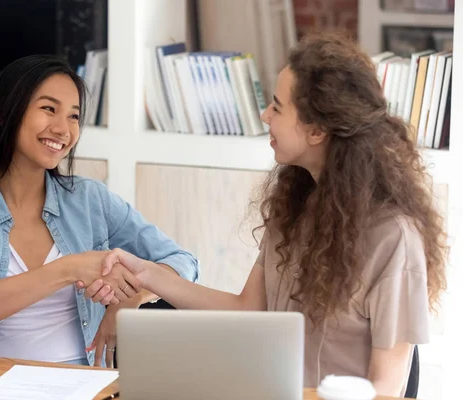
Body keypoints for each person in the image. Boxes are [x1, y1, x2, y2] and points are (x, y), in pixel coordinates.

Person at [84, 33, 448, 397]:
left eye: (277, 107)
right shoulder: (294, 207)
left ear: (317, 130)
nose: (264, 115)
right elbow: (247, 310)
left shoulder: (394, 237)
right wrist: (145, 272)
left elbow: (387, 389)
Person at [0, 55, 199, 367]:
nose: (63, 129)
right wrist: (68, 269)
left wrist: (131, 300)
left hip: (81, 382)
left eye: (74, 116)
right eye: (48, 109)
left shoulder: (89, 199)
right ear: (4, 113)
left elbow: (183, 263)